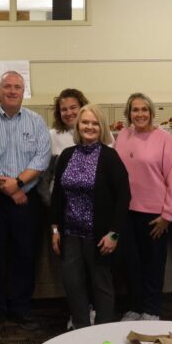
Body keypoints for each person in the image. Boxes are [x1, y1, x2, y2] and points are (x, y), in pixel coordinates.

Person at [0, 71, 51, 333]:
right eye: (7, 86)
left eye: (17, 87)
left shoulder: (37, 122)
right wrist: (9, 188)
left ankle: (21, 309)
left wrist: (18, 184)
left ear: (23, 91)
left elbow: (41, 159)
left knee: (24, 256)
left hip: (26, 201)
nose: (11, 91)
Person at [50, 104, 129, 329]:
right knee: (72, 284)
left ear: (102, 127)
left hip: (99, 235)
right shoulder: (66, 155)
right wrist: (55, 230)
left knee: (101, 285)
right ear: (78, 125)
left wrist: (114, 233)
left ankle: (103, 330)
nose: (90, 127)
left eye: (95, 123)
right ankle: (81, 328)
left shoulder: (109, 157)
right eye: (85, 122)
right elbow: (57, 196)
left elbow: (124, 197)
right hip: (70, 234)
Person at [115, 93, 172, 322]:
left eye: (144, 110)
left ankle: (151, 309)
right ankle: (135, 306)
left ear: (152, 113)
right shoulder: (123, 136)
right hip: (127, 212)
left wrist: (168, 215)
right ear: (128, 114)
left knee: (153, 264)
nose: (140, 114)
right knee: (131, 264)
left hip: (155, 214)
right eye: (135, 110)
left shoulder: (164, 139)